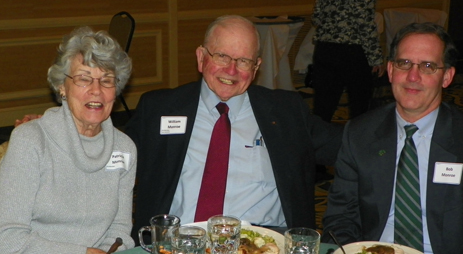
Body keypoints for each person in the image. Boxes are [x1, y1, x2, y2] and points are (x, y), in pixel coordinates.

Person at [126, 15, 343, 242]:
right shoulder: (160, 108)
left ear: (256, 66)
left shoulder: (285, 112)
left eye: (243, 61)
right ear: (201, 58)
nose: (231, 71)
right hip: (178, 247)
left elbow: (352, 146)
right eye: (221, 56)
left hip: (262, 249)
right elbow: (111, 158)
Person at [322, 22, 463, 254]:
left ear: (447, 76)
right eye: (404, 63)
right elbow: (340, 218)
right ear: (390, 70)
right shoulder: (359, 134)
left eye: (427, 66)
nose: (413, 77)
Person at [0, 27, 137, 254]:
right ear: (62, 87)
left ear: (116, 90)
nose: (96, 90)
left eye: (106, 79)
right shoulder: (31, 141)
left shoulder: (124, 149)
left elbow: (119, 232)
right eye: (84, 78)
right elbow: (6, 238)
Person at [311, 0, 385, 122]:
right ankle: (357, 142)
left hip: (325, 48)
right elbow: (364, 21)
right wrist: (376, 58)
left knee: (322, 109)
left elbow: (316, 17)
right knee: (360, 109)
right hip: (353, 51)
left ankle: (319, 142)